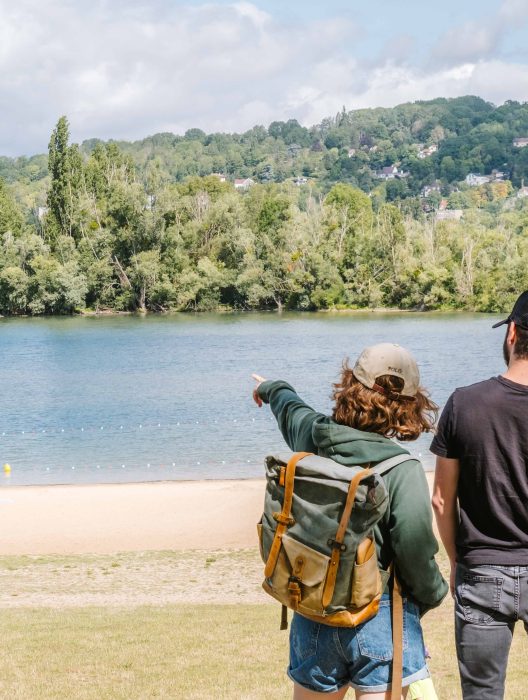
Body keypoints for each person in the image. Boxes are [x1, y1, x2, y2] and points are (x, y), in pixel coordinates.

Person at [253, 343, 448, 700]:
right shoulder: (402, 470)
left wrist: (270, 388)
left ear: (348, 385)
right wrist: (435, 595)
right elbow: (416, 553)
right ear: (407, 407)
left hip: (314, 606)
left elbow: (290, 408)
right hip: (381, 615)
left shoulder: (313, 435)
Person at [431, 291, 528, 700]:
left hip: (482, 569)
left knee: (483, 694)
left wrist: (457, 561)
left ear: (511, 333)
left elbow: (440, 499)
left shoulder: (463, 403)